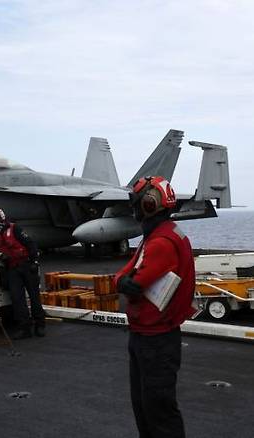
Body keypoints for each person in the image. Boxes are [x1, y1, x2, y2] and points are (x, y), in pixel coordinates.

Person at [115, 176, 195, 438]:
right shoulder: (165, 234)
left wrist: (123, 281)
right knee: (147, 407)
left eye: (138, 204)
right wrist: (122, 280)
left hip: (154, 341)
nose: (135, 209)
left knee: (157, 412)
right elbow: (124, 275)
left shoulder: (160, 243)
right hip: (153, 337)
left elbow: (132, 281)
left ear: (149, 205)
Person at [0, 208, 45, 339]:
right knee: (17, 299)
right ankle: (24, 328)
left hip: (27, 265)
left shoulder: (15, 228)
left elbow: (30, 244)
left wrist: (35, 261)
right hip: (12, 268)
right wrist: (0, 255)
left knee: (34, 297)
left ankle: (40, 325)